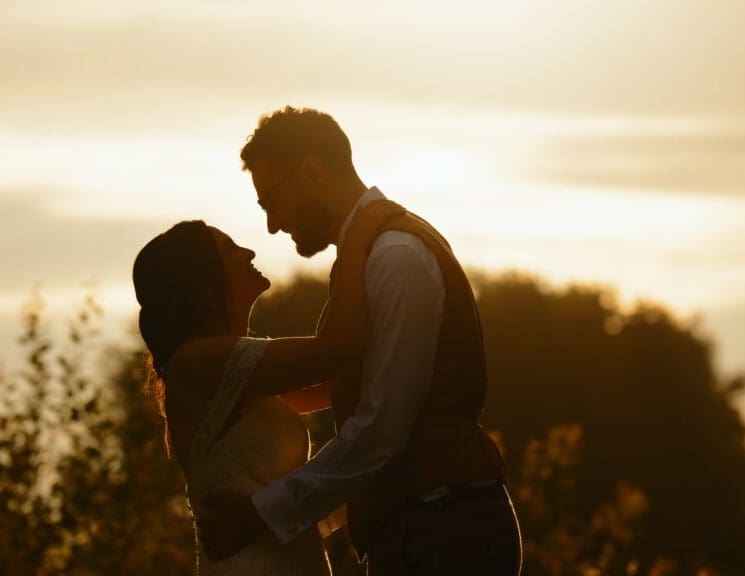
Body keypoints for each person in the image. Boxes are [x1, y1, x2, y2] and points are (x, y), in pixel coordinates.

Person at [198, 106, 522, 575]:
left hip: (441, 530)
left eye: (271, 200)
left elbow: (383, 426)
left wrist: (264, 514)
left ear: (311, 172)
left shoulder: (395, 257)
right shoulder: (369, 257)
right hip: (425, 526)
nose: (271, 224)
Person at [132, 201, 403, 574]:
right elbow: (336, 352)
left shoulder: (240, 382)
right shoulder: (197, 361)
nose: (249, 251)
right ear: (205, 283)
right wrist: (354, 242)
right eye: (230, 250)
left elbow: (349, 381)